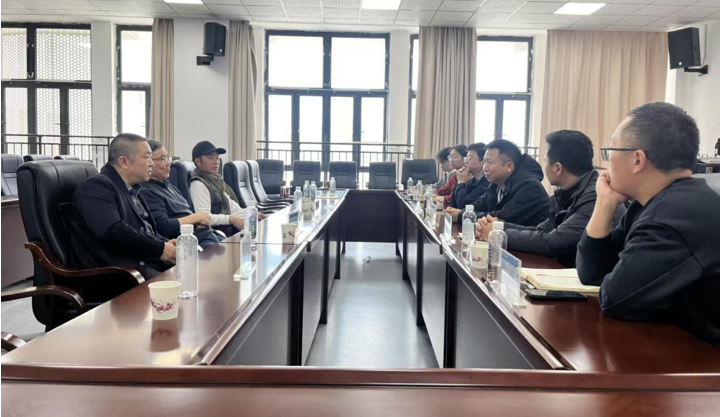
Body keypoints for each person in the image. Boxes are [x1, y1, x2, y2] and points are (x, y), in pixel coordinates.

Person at [577, 102, 720, 346]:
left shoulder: (671, 215)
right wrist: (605, 203)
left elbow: (615, 299)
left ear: (637, 160)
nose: (607, 162)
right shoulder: (652, 204)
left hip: (703, 358)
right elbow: (591, 273)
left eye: (610, 149)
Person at [476, 130, 625, 267]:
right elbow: (541, 230)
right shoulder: (566, 192)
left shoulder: (595, 196)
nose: (544, 166)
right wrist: (499, 226)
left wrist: (498, 235)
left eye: (546, 161)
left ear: (558, 168)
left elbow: (552, 242)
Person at [68, 133, 175, 281]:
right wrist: (160, 248)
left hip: (147, 265)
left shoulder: (132, 189)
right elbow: (113, 231)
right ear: (124, 162)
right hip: (121, 275)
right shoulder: (97, 186)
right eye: (147, 157)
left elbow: (145, 229)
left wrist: (165, 243)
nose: (152, 163)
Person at [141, 140, 226, 249]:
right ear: (148, 162)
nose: (168, 163)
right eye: (162, 159)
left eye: (168, 158)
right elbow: (163, 227)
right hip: (193, 243)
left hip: (207, 234)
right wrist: (196, 217)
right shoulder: (147, 191)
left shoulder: (169, 187)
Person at [448, 139, 549, 226]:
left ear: (509, 166)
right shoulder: (495, 185)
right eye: (484, 162)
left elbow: (502, 218)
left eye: (490, 162)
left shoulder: (529, 187)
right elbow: (476, 206)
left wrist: (461, 215)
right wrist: (459, 212)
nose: (485, 168)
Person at [189, 141, 263, 237]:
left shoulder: (216, 181)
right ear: (198, 161)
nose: (216, 162)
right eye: (211, 158)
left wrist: (252, 214)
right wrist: (231, 219)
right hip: (216, 235)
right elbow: (204, 217)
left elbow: (234, 209)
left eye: (217, 158)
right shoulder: (198, 184)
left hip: (226, 231)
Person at [446, 142, 490, 210]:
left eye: (469, 158)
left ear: (482, 162)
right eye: (466, 158)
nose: (465, 161)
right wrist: (461, 183)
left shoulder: (486, 182)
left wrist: (461, 183)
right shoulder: (472, 180)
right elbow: (454, 203)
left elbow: (464, 206)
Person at [435, 145, 467, 209]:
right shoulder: (456, 176)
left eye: (455, 157)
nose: (451, 160)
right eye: (450, 157)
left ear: (465, 159)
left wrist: (438, 198)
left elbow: (455, 199)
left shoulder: (468, 176)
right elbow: (442, 190)